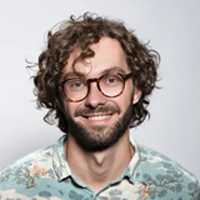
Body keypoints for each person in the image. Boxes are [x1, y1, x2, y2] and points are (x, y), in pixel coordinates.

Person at [0, 13, 199, 200]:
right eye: (76, 84)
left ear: (136, 89)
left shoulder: (181, 189)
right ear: (59, 97)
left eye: (111, 79)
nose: (94, 101)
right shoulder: (11, 189)